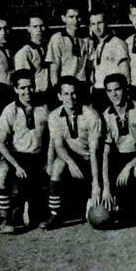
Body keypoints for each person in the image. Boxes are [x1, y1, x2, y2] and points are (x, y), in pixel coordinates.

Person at [41, 76, 102, 230]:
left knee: (101, 217)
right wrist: (71, 163)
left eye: (73, 93)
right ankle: (55, 215)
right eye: (66, 94)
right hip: (73, 158)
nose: (70, 98)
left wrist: (96, 183)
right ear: (59, 96)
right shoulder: (54, 115)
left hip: (93, 160)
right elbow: (58, 146)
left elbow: (95, 152)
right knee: (57, 166)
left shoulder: (91, 114)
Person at [0, 69, 50, 233]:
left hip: (38, 157)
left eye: (30, 86)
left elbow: (52, 138)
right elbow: (0, 143)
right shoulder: (9, 110)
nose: (27, 91)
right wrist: (16, 165)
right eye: (23, 88)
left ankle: (36, 209)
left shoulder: (43, 108)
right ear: (16, 89)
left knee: (33, 217)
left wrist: (49, 159)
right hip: (17, 157)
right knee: (2, 172)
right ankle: (5, 220)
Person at [101, 73, 136, 233]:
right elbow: (105, 153)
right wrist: (106, 187)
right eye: (110, 91)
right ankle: (125, 208)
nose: (114, 94)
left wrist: (128, 167)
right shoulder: (106, 115)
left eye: (117, 89)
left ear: (126, 89)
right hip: (119, 158)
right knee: (115, 213)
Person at [46, 3, 94, 101]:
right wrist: (58, 90)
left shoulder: (87, 40)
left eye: (78, 17)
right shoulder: (57, 39)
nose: (75, 21)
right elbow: (54, 69)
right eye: (71, 17)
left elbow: (90, 67)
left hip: (82, 87)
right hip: (66, 88)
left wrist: (90, 86)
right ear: (64, 18)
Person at [89, 9, 130, 112]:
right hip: (98, 93)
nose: (97, 27)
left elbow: (125, 74)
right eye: (93, 24)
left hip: (112, 92)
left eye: (100, 23)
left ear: (106, 23)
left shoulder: (117, 43)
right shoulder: (96, 45)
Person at [14, 15, 50, 104]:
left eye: (42, 26)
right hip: (36, 96)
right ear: (28, 28)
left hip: (52, 94)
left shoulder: (50, 47)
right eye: (35, 27)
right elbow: (23, 79)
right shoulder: (24, 52)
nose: (39, 29)